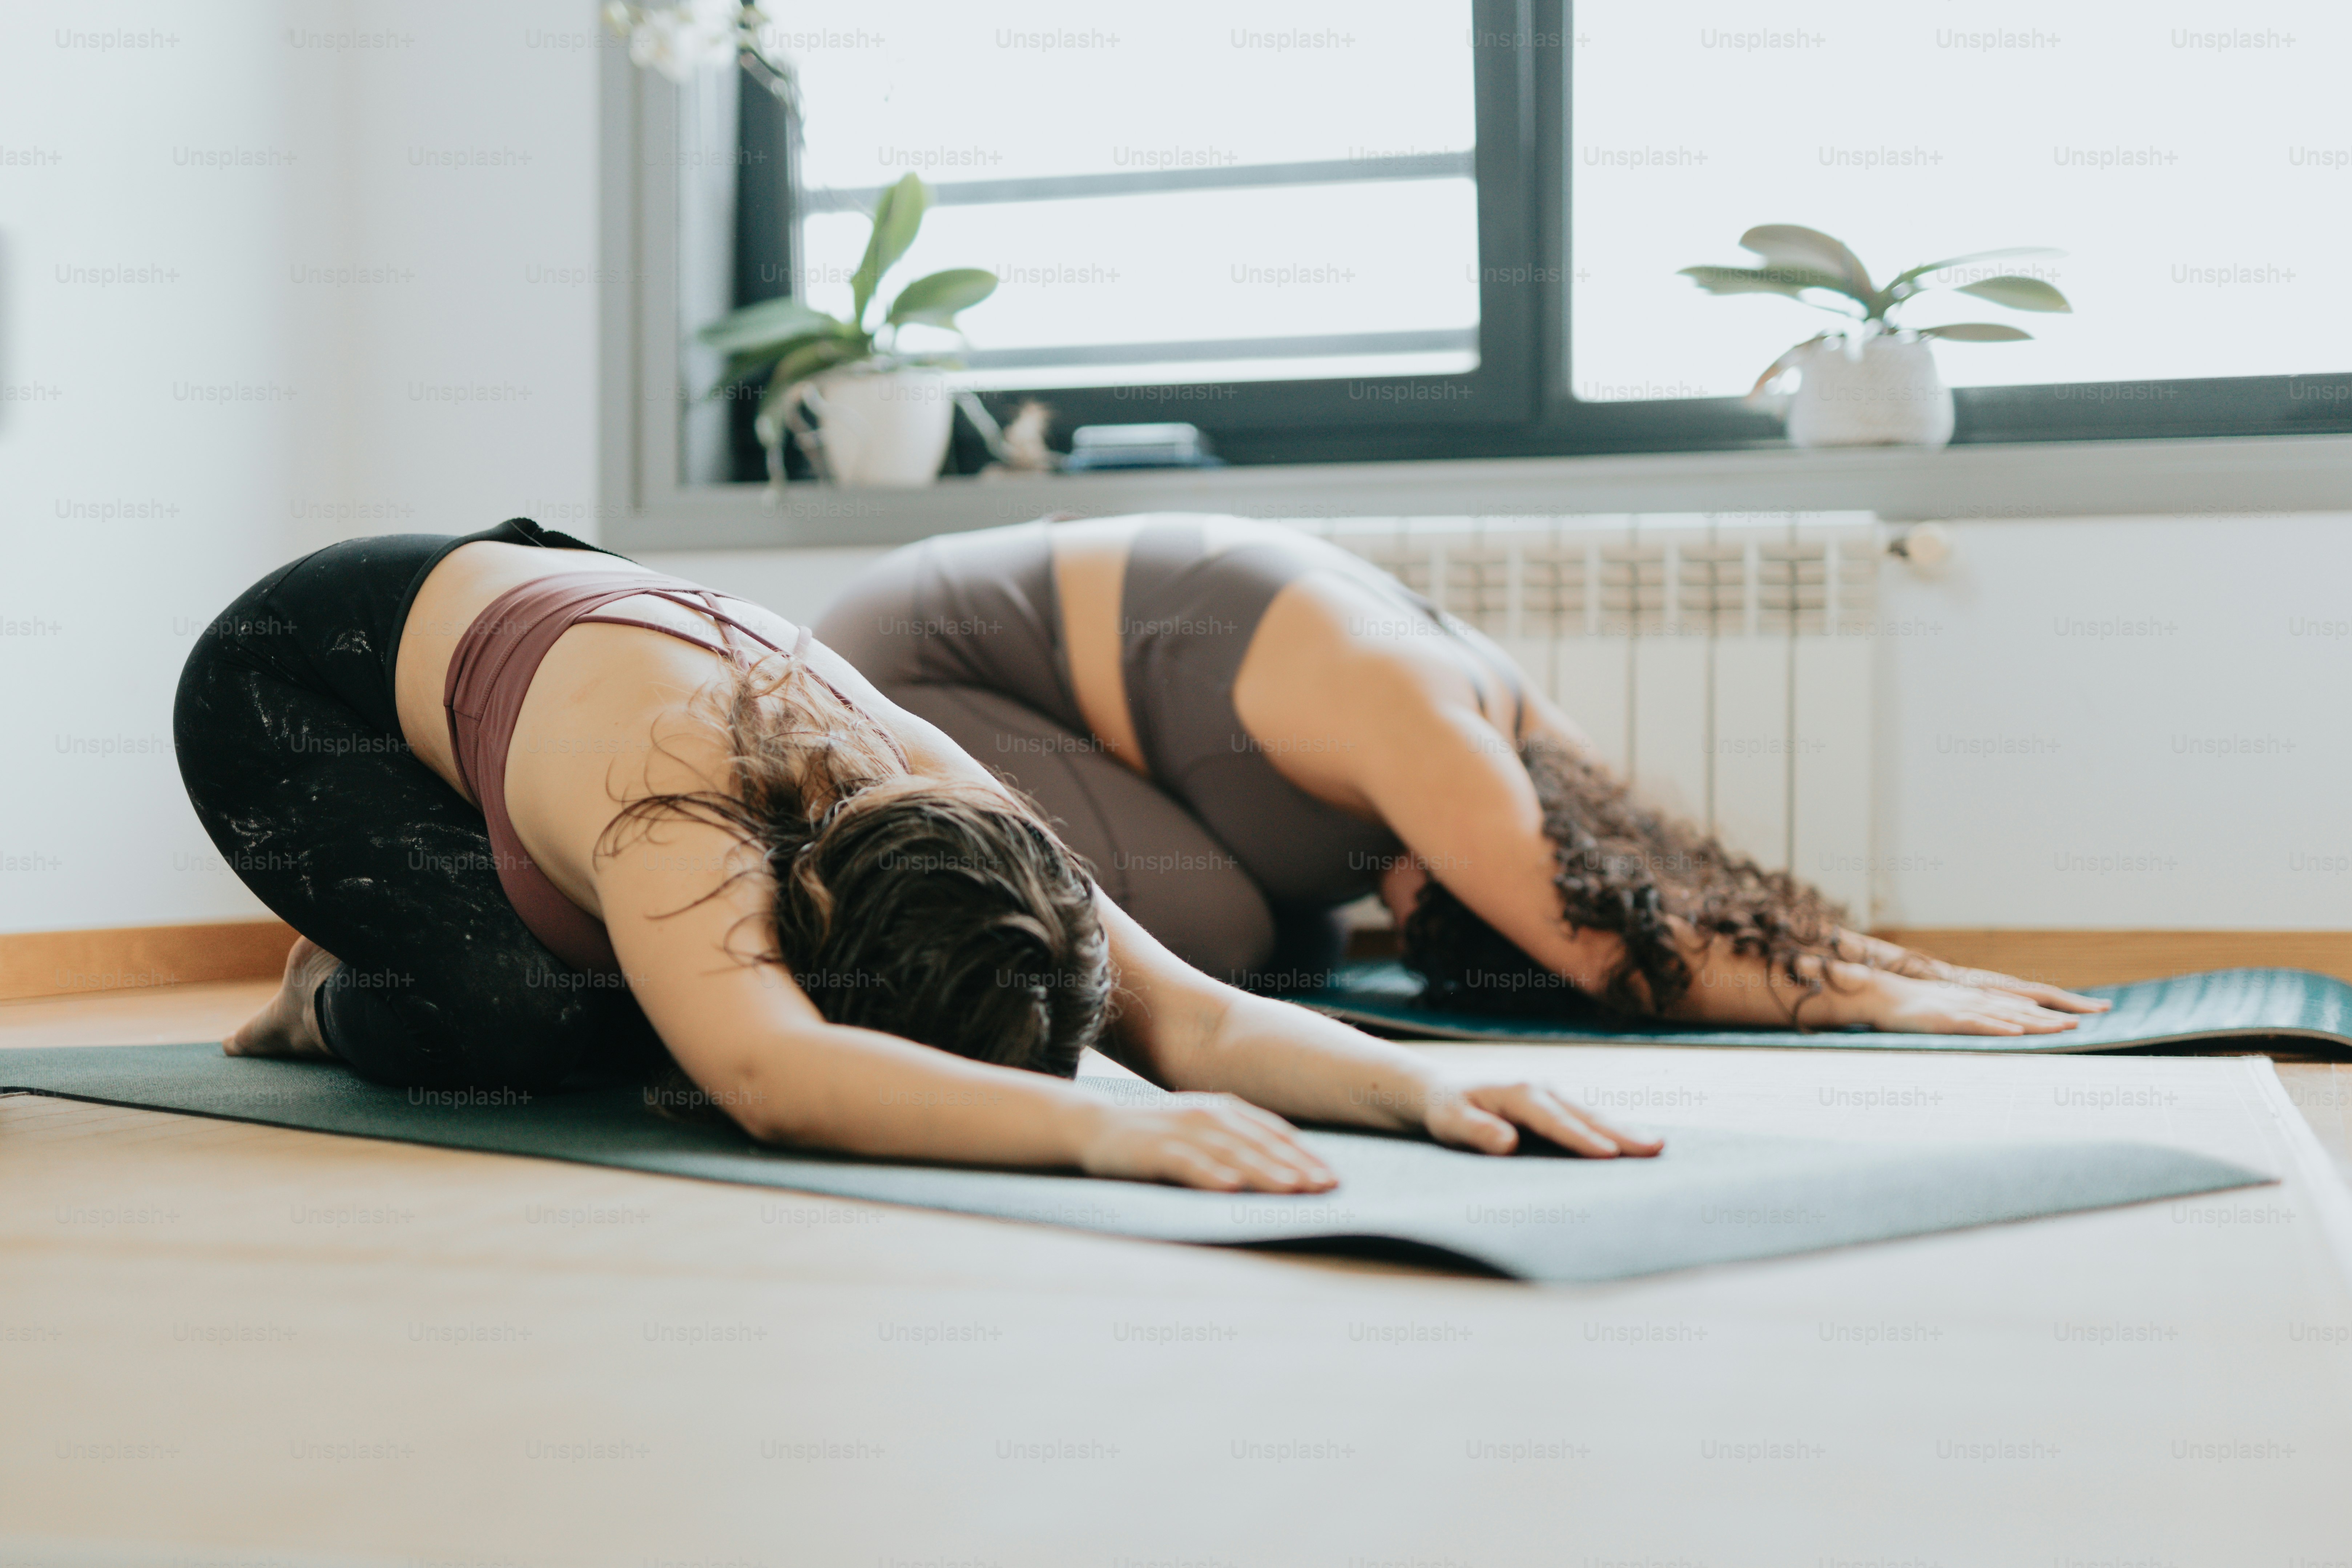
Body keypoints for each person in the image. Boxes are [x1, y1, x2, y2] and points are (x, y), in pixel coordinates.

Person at [174, 517, 1663, 1197]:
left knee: (652, 998)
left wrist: (1425, 1084)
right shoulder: (674, 816)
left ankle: (458, 917)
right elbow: (768, 1074)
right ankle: (327, 990)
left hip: (542, 634)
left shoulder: (950, 797)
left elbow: (1193, 1014)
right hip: (304, 684)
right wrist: (1111, 1133)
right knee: (553, 1019)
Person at [816, 514, 2108, 1035]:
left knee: (1295, 942)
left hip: (1080, 671)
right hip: (907, 663)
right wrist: (1867, 1001)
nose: (1434, 898)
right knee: (1220, 940)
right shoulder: (1429, 724)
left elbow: (1664, 893)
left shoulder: (1532, 742)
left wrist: (1877, 950)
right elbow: (1611, 949)